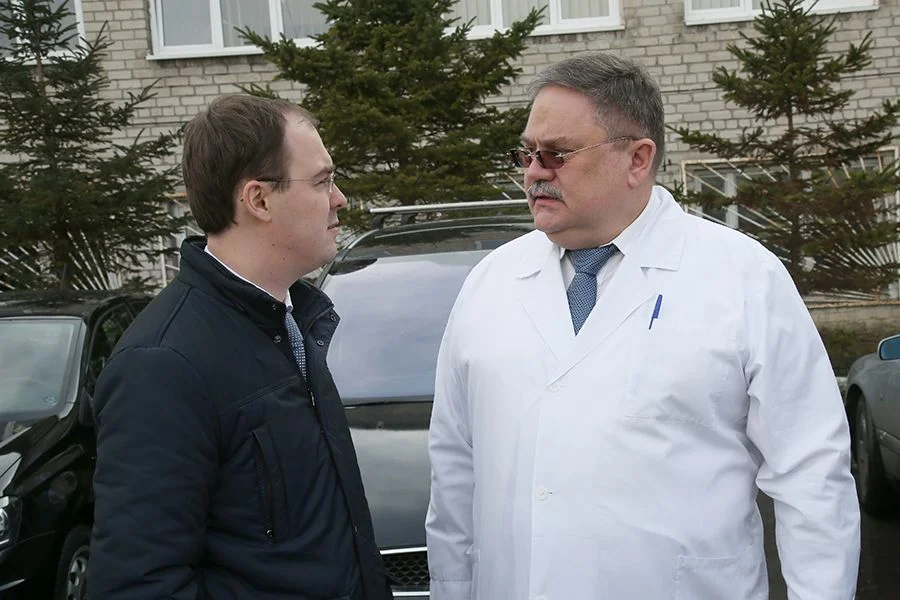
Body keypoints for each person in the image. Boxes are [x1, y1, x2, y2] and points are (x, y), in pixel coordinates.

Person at [425, 52, 860, 599]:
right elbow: (454, 470)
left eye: (556, 154)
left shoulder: (743, 277)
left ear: (638, 158)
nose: (533, 172)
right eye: (527, 153)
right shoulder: (489, 283)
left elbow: (811, 475)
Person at [89, 95, 392, 600]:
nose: (340, 199)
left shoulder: (292, 321)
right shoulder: (162, 366)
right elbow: (139, 582)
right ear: (259, 200)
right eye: (322, 181)